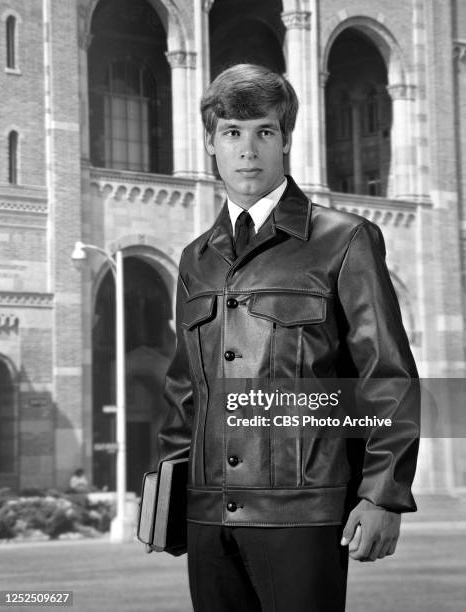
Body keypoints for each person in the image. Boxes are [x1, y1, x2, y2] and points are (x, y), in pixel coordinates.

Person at [157, 64, 419, 612]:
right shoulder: (194, 260)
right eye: (232, 133)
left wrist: (383, 494)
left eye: (264, 132)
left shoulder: (345, 240)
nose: (247, 150)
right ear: (210, 142)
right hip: (207, 518)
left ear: (286, 141)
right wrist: (165, 499)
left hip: (305, 515)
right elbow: (185, 391)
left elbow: (386, 376)